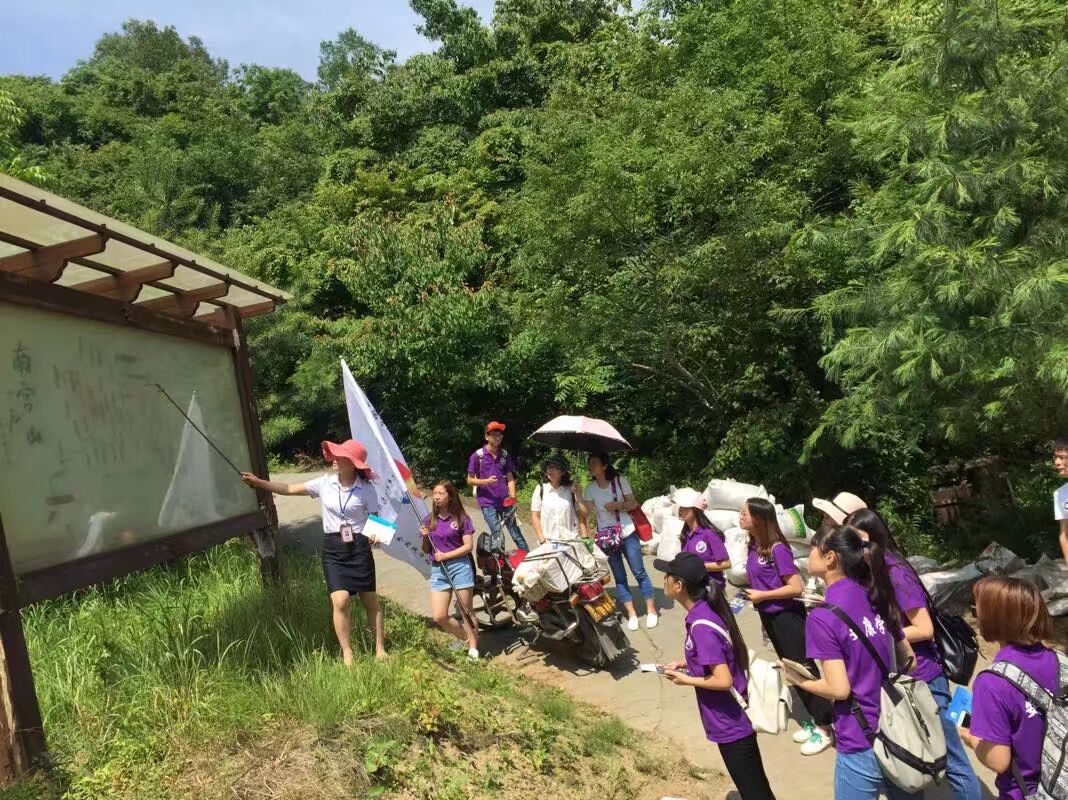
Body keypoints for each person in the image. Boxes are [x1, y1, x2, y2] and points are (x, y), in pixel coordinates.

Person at [845, 508, 980, 800]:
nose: (856, 551)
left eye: (862, 543)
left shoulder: (896, 573)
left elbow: (924, 628)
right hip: (900, 678)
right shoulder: (868, 572)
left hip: (925, 679)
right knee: (909, 755)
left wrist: (881, 635)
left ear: (876, 540)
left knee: (953, 760)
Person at [785, 525, 917, 800]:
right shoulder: (876, 596)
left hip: (861, 736)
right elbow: (910, 662)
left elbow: (839, 689)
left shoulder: (822, 618)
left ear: (830, 557)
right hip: (900, 728)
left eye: (813, 548)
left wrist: (800, 680)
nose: (808, 554)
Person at [241, 440, 386, 663]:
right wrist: (259, 483)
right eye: (335, 454)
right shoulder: (324, 483)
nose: (334, 459)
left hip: (359, 547)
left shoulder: (366, 489)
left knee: (369, 600)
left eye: (340, 456)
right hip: (333, 548)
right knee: (340, 600)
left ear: (352, 463)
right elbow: (289, 489)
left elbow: (376, 519)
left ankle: (380, 650)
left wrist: (376, 534)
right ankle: (348, 653)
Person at [657, 552, 776, 800]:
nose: (664, 579)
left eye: (668, 575)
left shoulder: (701, 626)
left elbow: (723, 680)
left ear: (679, 586)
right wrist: (685, 663)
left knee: (755, 792)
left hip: (731, 723)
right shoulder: (704, 612)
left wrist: (685, 679)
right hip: (729, 719)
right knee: (755, 787)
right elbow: (717, 656)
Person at [740, 497, 834, 755]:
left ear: (759, 518)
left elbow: (795, 587)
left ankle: (826, 727)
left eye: (746, 513)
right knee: (791, 670)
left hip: (787, 618)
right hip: (769, 616)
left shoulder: (778, 549)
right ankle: (817, 720)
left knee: (803, 668)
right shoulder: (754, 546)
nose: (741, 517)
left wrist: (763, 595)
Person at [961, 576, 1059, 800]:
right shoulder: (1060, 661)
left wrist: (969, 736)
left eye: (977, 610)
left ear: (994, 618)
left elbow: (998, 760)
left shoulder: (992, 682)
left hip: (1028, 792)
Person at [583, 452, 658, 631]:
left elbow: (633, 503)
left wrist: (616, 505)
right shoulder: (590, 488)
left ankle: (651, 611)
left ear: (604, 466)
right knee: (619, 577)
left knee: (639, 572)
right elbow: (585, 512)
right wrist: (577, 494)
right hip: (607, 538)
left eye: (594, 463)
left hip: (627, 532)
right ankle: (632, 614)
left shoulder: (619, 481)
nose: (591, 466)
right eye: (589, 463)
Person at [420, 481, 479, 660]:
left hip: (459, 566)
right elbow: (426, 550)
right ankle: (465, 638)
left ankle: (473, 648)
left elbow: (468, 546)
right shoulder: (429, 520)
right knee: (439, 615)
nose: (436, 497)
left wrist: (446, 555)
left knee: (465, 610)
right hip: (439, 570)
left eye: (441, 494)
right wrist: (425, 537)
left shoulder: (461, 518)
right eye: (435, 493)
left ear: (450, 497)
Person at [466, 421, 529, 552]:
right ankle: (502, 561)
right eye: (494, 434)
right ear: (486, 436)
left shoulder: (504, 455)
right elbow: (470, 480)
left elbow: (510, 477)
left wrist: (513, 497)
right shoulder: (477, 456)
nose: (498, 437)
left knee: (515, 532)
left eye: (500, 434)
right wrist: (486, 481)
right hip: (487, 503)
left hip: (505, 501)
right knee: (497, 534)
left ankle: (528, 558)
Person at [673, 487, 731, 586]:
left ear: (695, 510)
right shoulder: (686, 535)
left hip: (710, 587)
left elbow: (726, 563)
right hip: (694, 586)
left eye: (685, 507)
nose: (680, 510)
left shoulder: (709, 534)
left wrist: (700, 566)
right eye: (680, 507)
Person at [530, 455, 589, 544]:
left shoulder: (571, 489)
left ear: (563, 472)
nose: (550, 470)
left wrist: (585, 537)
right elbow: (535, 516)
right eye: (549, 467)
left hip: (570, 541)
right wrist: (542, 541)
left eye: (555, 467)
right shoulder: (540, 489)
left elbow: (582, 514)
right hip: (548, 543)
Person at [1053, 436, 1068, 562]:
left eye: (1062, 457)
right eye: (1055, 457)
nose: (1057, 462)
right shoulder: (1060, 494)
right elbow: (1064, 534)